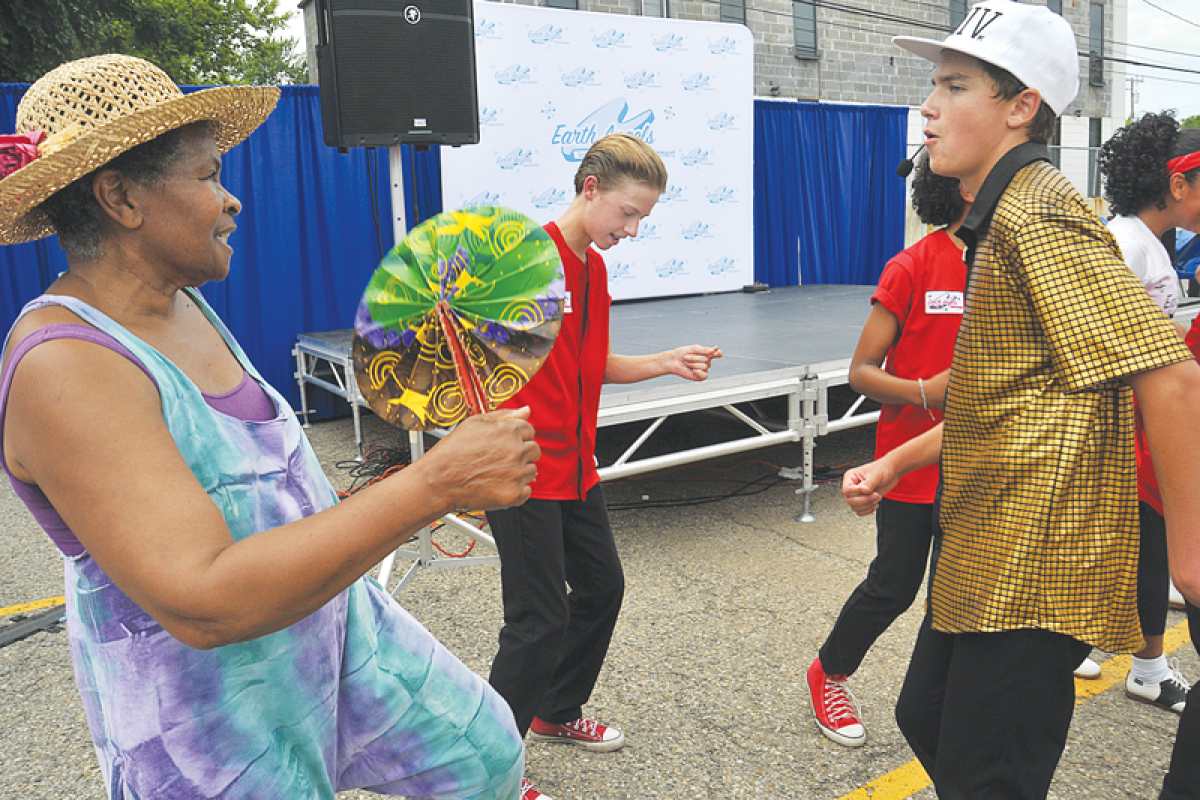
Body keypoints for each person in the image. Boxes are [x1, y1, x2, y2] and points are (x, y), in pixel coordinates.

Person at [0, 54, 538, 800]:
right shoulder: (66, 366)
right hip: (212, 724)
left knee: (481, 753)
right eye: (209, 175)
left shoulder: (182, 303)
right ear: (121, 197)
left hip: (336, 639)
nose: (232, 201)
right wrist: (435, 482)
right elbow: (203, 599)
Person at [842, 2, 1200, 796]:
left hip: (1034, 564)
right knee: (924, 714)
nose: (928, 109)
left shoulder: (1036, 211)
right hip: (984, 542)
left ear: (1021, 106)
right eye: (934, 85)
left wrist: (1189, 553)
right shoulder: (999, 211)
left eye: (955, 86)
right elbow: (1003, 388)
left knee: (987, 775)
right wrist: (900, 457)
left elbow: (1171, 376)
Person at [483, 133, 721, 800]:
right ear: (590, 189)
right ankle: (487, 767)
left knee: (600, 588)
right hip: (523, 464)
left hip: (576, 464)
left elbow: (592, 367)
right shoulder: (528, 261)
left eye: (643, 217)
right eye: (627, 213)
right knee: (537, 621)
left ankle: (555, 710)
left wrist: (666, 362)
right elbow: (480, 366)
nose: (633, 229)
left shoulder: (596, 268)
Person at [807, 152, 971, 748]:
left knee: (957, 594)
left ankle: (946, 698)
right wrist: (928, 390)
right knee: (894, 585)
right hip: (909, 463)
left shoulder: (1006, 264)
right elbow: (860, 372)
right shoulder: (912, 267)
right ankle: (829, 672)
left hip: (978, 464)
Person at [1089, 111, 1200, 713]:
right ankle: (1138, 664)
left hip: (1144, 429)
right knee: (1139, 545)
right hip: (1122, 432)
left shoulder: (1148, 244)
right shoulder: (1125, 242)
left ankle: (1143, 664)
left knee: (1144, 546)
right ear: (1177, 184)